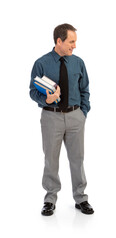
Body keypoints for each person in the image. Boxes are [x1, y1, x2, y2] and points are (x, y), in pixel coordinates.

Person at [29, 23, 94, 216]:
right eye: (71, 41)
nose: (75, 46)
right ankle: (50, 199)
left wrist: (83, 113)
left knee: (77, 159)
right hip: (51, 117)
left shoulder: (78, 62)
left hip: (76, 117)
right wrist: (45, 99)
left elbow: (85, 89)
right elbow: (32, 91)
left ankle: (81, 198)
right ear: (59, 41)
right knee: (51, 159)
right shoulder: (41, 63)